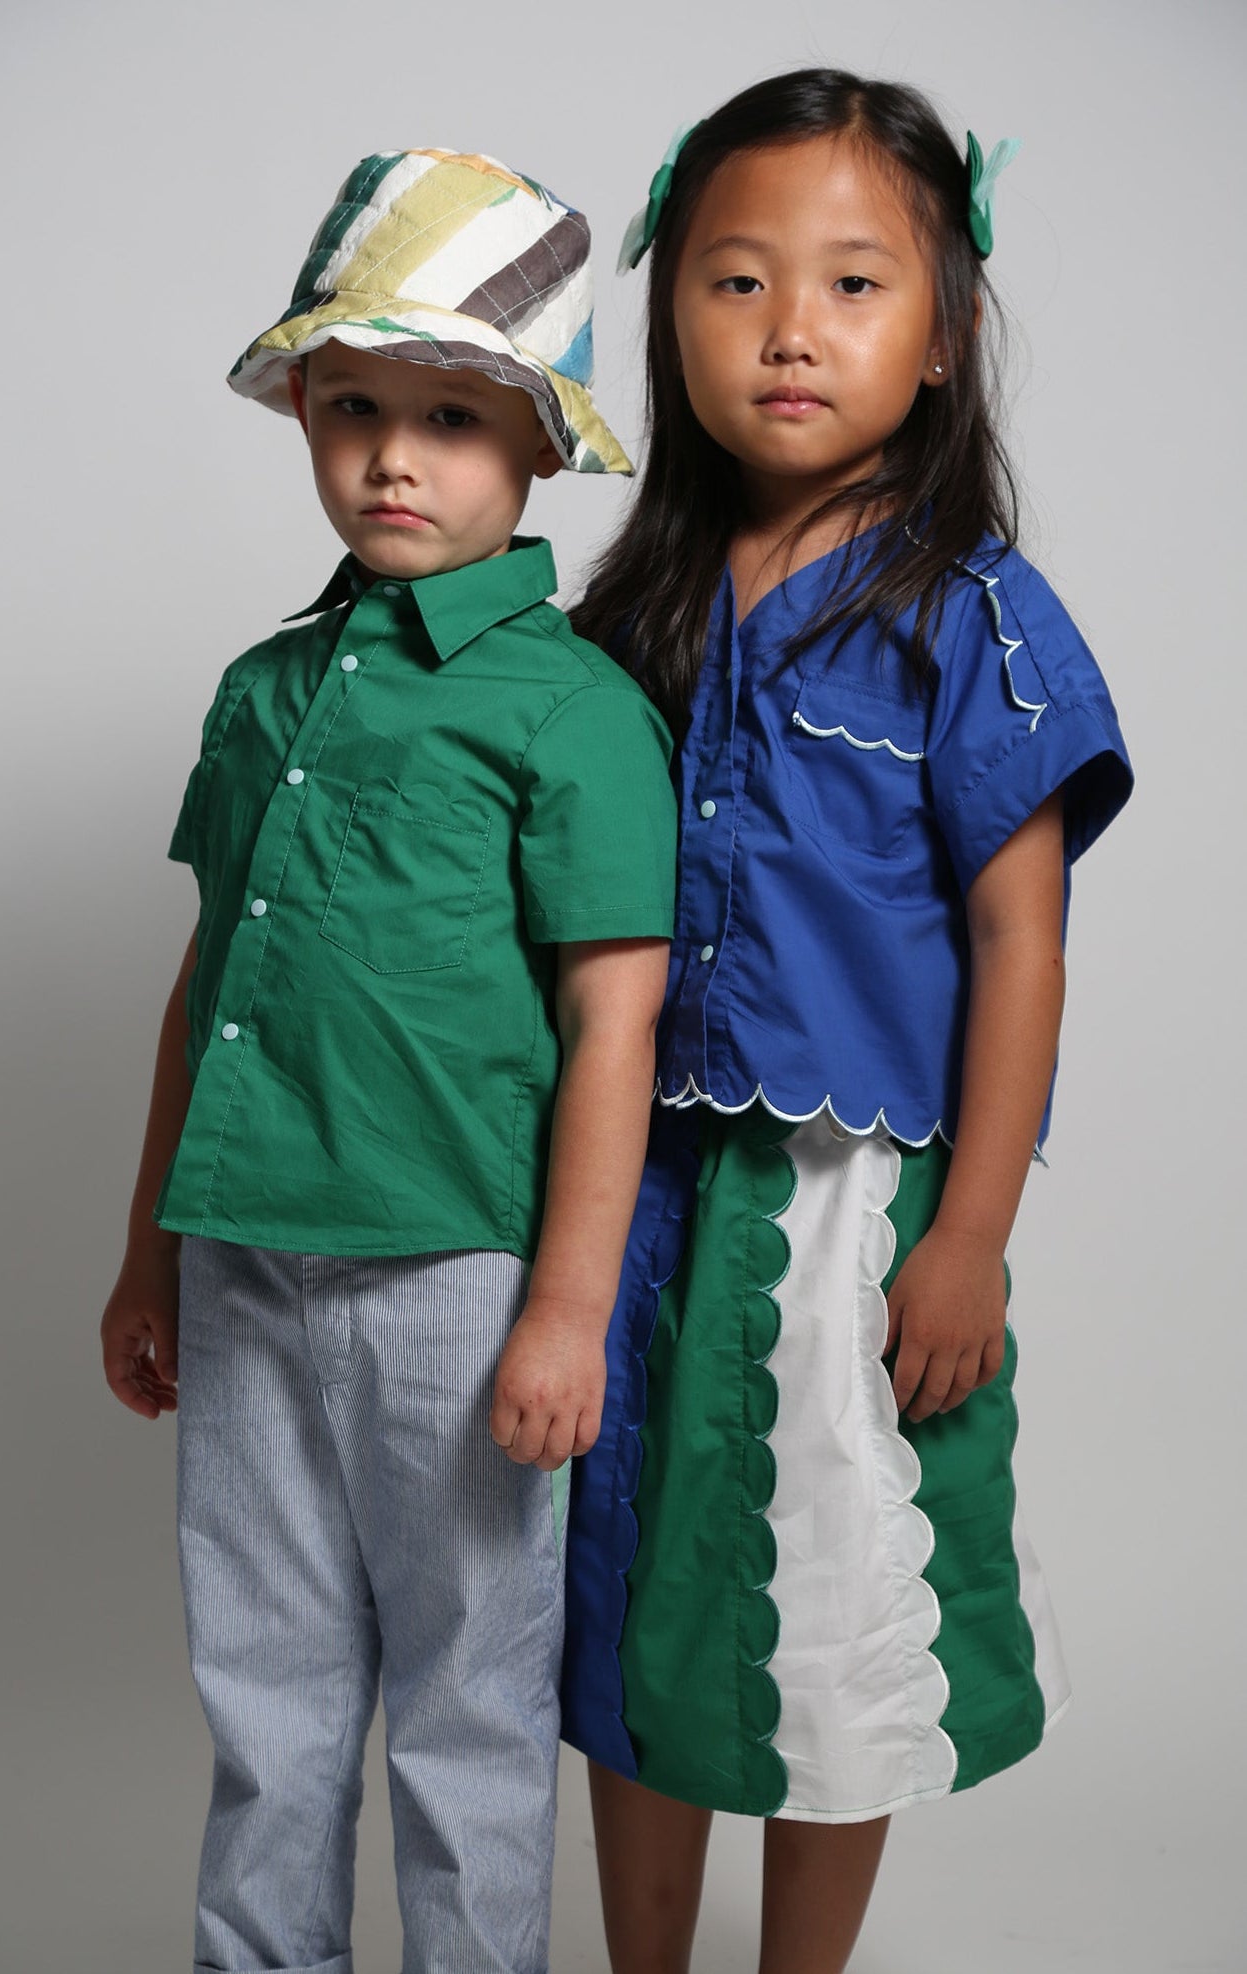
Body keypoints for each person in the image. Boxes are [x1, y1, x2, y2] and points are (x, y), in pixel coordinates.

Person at [561, 70, 1133, 1974]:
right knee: (631, 1578)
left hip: (845, 1204)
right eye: (734, 281)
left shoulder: (977, 616)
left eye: (853, 282)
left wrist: (968, 1233)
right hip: (636, 1187)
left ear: (945, 334)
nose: (791, 326)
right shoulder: (626, 615)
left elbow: (1021, 936)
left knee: (827, 1599)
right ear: (669, 324)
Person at [98, 147, 677, 1974]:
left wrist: (566, 1311)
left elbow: (614, 1023)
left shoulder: (573, 710)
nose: (391, 457)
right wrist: (147, 1251)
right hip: (245, 1262)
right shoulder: (269, 687)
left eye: (448, 413)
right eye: (352, 407)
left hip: (460, 1277)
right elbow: (211, 986)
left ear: (537, 451)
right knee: (266, 1706)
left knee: (465, 1720)